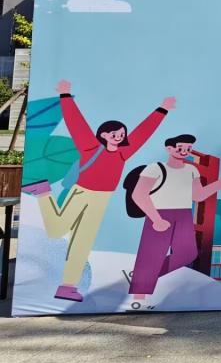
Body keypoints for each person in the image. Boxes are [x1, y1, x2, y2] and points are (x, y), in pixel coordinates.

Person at [21, 80, 174, 302]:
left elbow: (143, 133)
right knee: (56, 230)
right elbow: (76, 123)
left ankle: (67, 286)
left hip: (102, 199)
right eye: (114, 133)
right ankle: (43, 192)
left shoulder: (123, 153)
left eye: (121, 133)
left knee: (82, 241)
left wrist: (162, 110)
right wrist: (65, 95)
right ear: (103, 134)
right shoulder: (89, 146)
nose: (118, 136)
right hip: (82, 192)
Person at [127, 134, 221, 307]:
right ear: (169, 149)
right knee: (151, 256)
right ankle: (139, 299)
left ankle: (141, 277)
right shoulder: (155, 168)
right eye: (180, 148)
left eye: (188, 148)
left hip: (183, 215)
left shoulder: (191, 170)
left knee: (188, 254)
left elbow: (198, 195)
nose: (184, 151)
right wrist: (156, 219)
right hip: (158, 213)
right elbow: (138, 194)